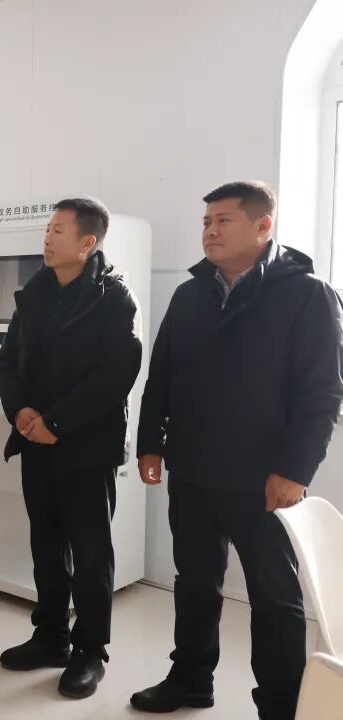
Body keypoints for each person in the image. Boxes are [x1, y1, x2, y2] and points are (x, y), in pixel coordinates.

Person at [131, 181, 343, 720]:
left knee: (274, 596)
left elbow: (322, 394)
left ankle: (281, 706)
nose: (210, 231)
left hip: (265, 478)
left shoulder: (307, 294)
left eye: (223, 220)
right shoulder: (190, 295)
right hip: (194, 469)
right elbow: (162, 374)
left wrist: (295, 471)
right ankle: (190, 680)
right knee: (194, 582)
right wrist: (150, 443)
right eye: (206, 221)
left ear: (263, 225)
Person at [0, 197, 143, 699]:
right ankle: (50, 636)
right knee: (46, 543)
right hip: (36, 443)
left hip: (87, 446)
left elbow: (116, 375)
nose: (47, 238)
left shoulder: (114, 299)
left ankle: (89, 651)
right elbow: (8, 361)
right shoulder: (35, 294)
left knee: (91, 551)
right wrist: (20, 411)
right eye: (47, 229)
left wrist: (56, 422)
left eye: (58, 230)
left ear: (87, 242)